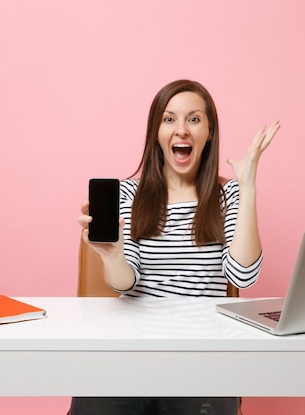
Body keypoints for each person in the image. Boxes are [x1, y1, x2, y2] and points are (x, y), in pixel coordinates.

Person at [73, 79, 280, 415]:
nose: (181, 130)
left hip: (203, 360)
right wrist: (112, 255)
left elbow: (242, 275)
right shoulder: (129, 194)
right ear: (156, 132)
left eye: (194, 119)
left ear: (209, 132)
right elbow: (126, 281)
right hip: (131, 356)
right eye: (169, 120)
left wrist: (248, 186)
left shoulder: (228, 195)